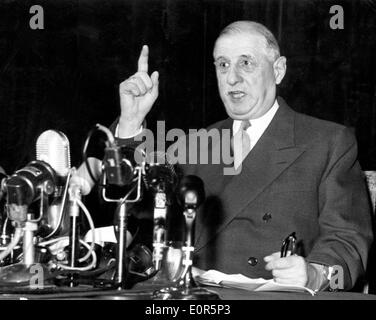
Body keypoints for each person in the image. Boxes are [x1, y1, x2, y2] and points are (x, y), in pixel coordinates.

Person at [77, 21, 373, 292]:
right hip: (195, 298)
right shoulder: (195, 143)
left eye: (246, 63)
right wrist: (130, 122)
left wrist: (317, 274)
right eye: (222, 65)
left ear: (279, 70)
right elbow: (133, 206)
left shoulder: (327, 141)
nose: (232, 78)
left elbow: (348, 242)